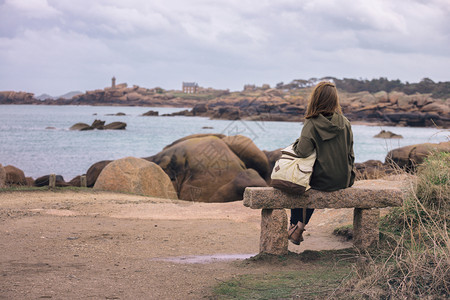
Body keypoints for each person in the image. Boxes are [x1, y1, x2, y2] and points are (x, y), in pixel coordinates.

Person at [288, 81, 355, 245]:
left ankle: (296, 226)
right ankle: (297, 228)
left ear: (315, 99)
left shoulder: (311, 123)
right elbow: (350, 154)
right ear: (335, 100)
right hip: (344, 179)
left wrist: (297, 142)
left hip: (321, 181)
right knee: (312, 180)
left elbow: (302, 151)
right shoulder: (345, 122)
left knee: (298, 183)